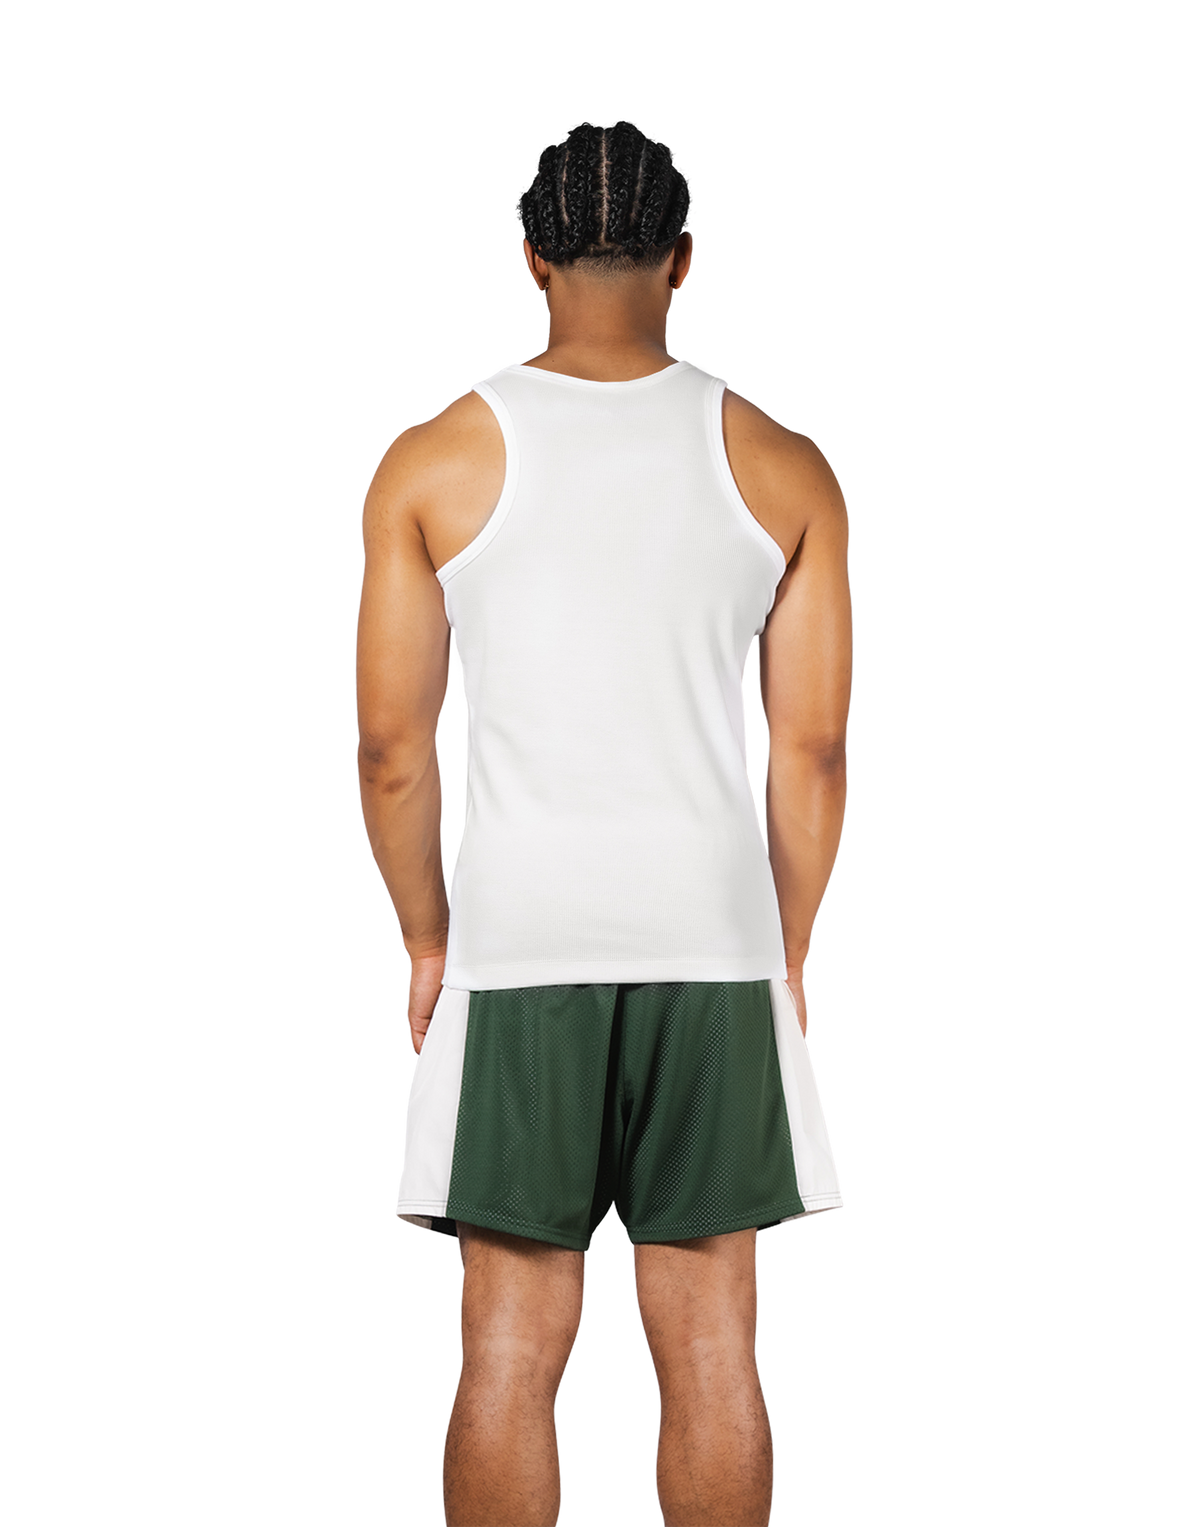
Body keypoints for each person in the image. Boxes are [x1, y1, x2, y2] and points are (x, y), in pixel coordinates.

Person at [354, 116, 853, 1527]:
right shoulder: (785, 462)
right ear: (684, 259)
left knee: (509, 1349)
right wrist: (787, 950)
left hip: (522, 939)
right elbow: (813, 750)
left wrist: (427, 943)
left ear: (529, 256)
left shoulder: (431, 459)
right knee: (715, 1348)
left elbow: (392, 749)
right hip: (710, 938)